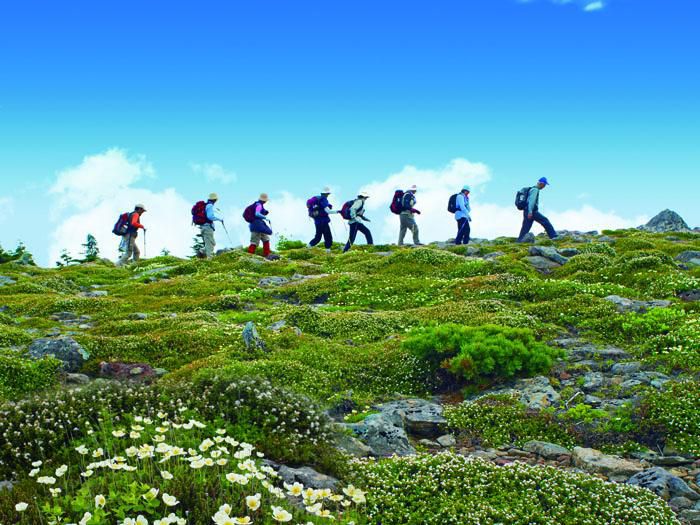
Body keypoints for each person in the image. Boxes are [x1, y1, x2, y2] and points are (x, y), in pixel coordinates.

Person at [517, 177, 558, 242]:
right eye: (544, 185)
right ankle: (553, 236)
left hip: (526, 210)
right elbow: (531, 201)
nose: (544, 187)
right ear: (541, 184)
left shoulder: (532, 189)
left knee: (525, 227)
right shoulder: (535, 190)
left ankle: (519, 241)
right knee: (545, 221)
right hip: (532, 211)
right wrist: (530, 212)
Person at [308, 187, 339, 253]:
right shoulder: (323, 199)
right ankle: (328, 251)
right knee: (328, 236)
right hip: (323, 221)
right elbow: (328, 211)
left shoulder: (317, 199)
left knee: (318, 237)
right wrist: (338, 211)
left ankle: (308, 246)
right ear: (327, 194)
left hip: (317, 221)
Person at [247, 193, 274, 258]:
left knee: (266, 239)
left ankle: (267, 255)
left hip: (259, 226)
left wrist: (264, 212)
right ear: (264, 200)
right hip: (256, 226)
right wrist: (265, 218)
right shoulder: (259, 205)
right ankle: (249, 256)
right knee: (254, 242)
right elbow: (257, 214)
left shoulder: (258, 204)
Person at [201, 193, 224, 258]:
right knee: (210, 244)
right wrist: (219, 219)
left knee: (212, 243)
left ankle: (201, 251)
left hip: (204, 227)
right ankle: (209, 260)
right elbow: (210, 216)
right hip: (208, 227)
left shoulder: (206, 205)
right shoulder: (210, 205)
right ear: (215, 199)